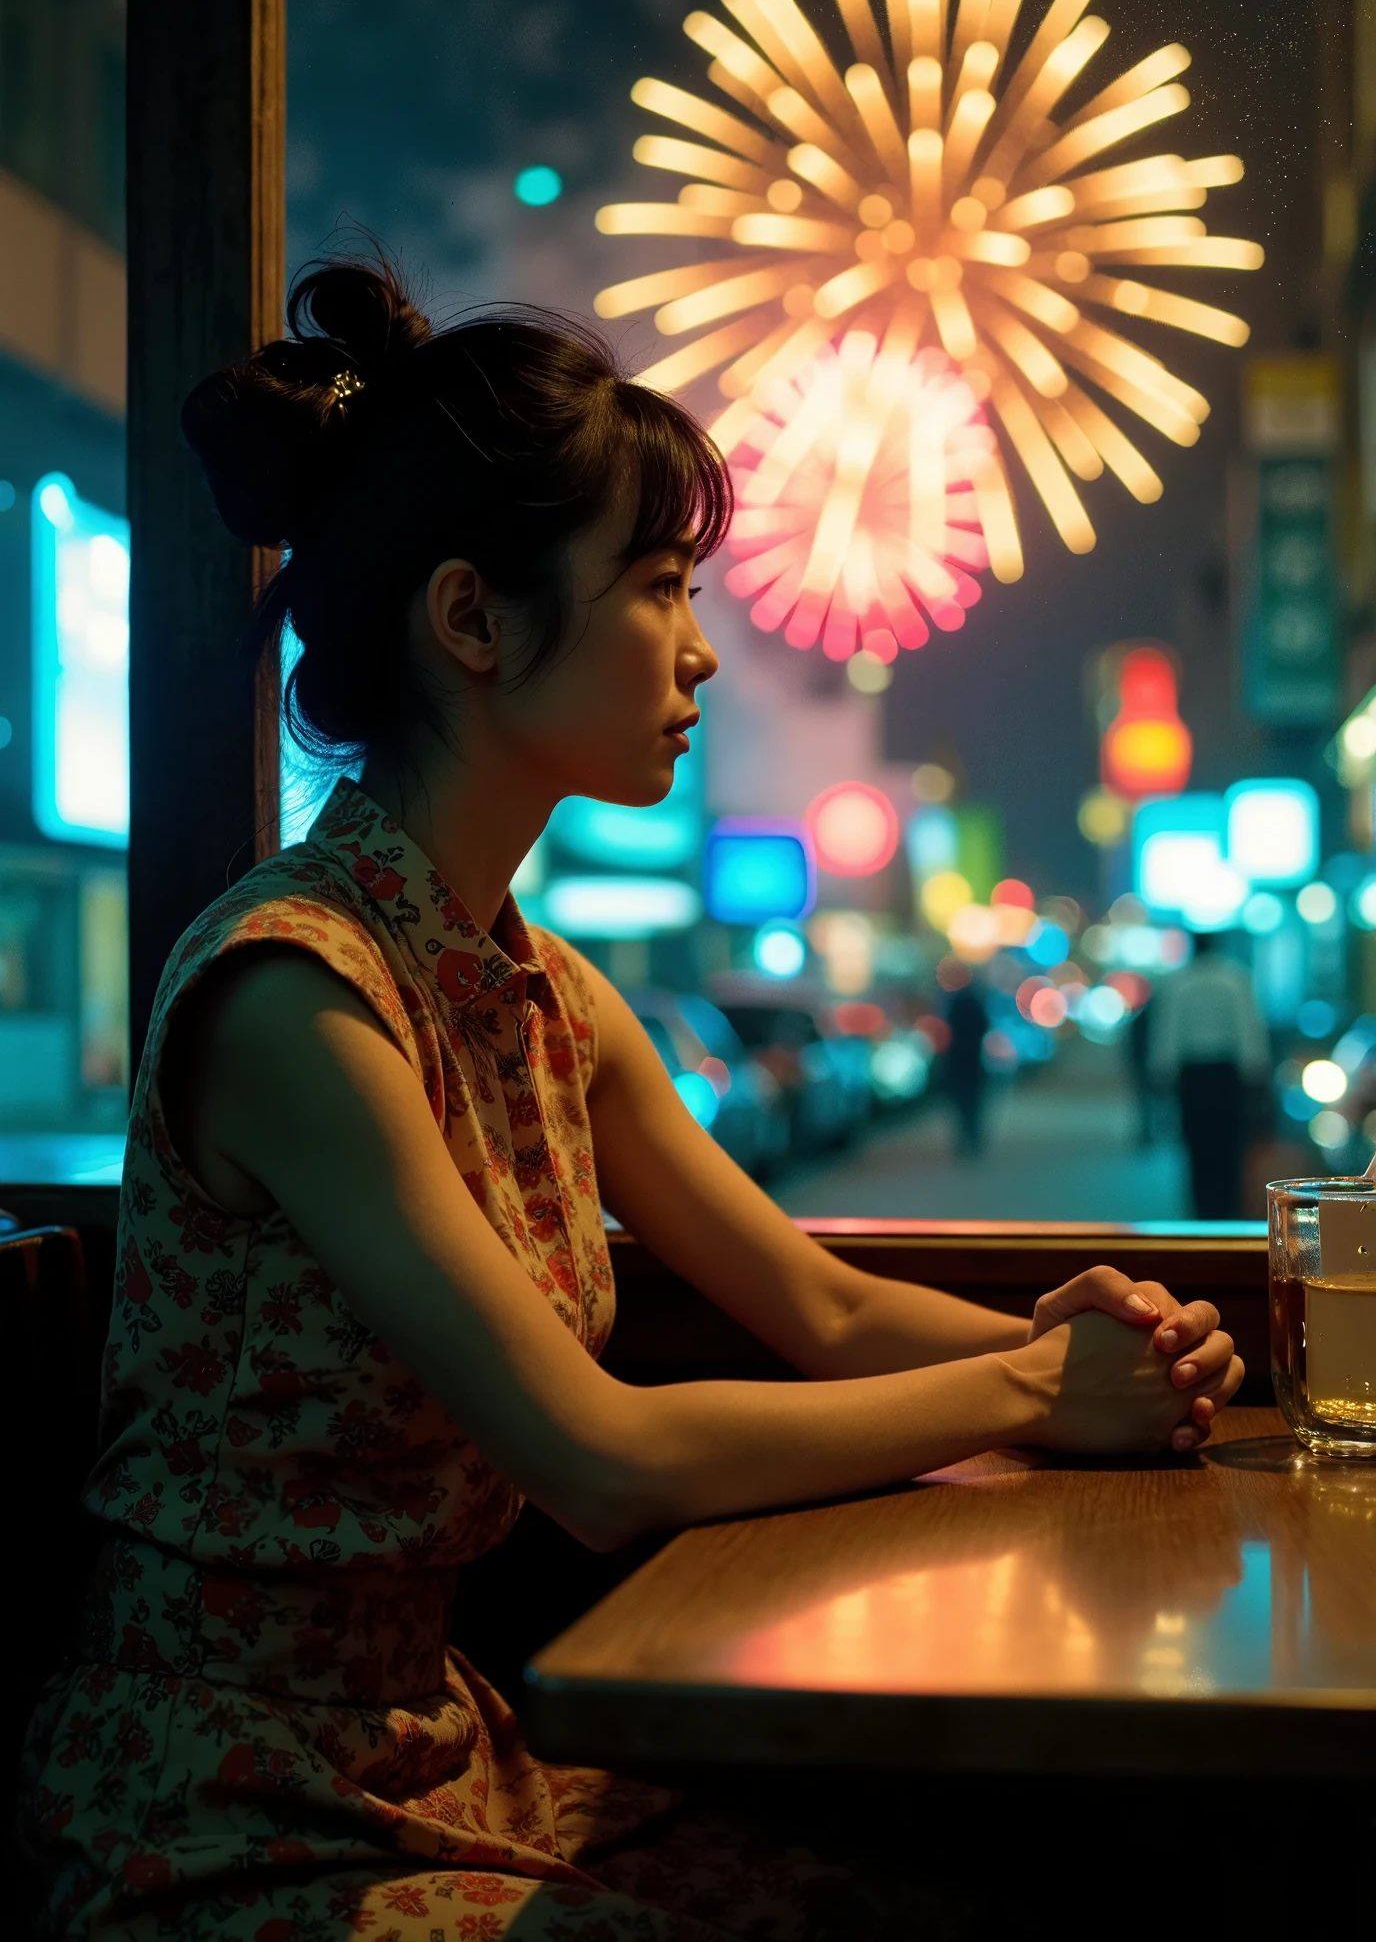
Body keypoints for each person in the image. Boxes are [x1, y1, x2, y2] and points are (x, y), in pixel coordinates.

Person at [22, 260, 1244, 1940]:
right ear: (471, 620)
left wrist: (1095, 1339)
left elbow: (810, 1298)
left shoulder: (541, 987)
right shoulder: (296, 994)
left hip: (443, 1741)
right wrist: (1038, 1382)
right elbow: (596, 1457)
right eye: (660, 584)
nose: (702, 650)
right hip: (224, 1803)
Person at [1149, 930, 1269, 1218]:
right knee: (1229, 1145)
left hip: (1193, 1076)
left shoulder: (1179, 983)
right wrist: (1255, 1072)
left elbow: (1168, 1031)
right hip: (1226, 1075)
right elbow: (1247, 1030)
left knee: (1196, 1146)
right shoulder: (1235, 978)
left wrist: (1162, 1072)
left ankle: (1201, 1209)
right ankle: (1227, 1207)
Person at [942, 979, 989, 1156]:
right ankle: (973, 1140)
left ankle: (964, 1141)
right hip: (973, 1064)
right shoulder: (976, 1006)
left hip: (958, 1064)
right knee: (973, 1107)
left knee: (961, 1107)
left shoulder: (955, 1006)